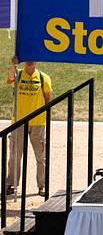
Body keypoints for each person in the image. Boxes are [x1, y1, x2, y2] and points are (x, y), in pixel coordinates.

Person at [6, 58, 52, 197]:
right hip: (19, 121)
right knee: (15, 155)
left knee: (41, 156)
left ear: (37, 61)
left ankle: (42, 186)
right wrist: (14, 64)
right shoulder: (18, 74)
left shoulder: (43, 77)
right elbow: (9, 79)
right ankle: (11, 184)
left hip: (38, 122)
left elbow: (48, 98)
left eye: (32, 60)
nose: (30, 62)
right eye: (27, 60)